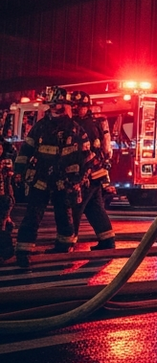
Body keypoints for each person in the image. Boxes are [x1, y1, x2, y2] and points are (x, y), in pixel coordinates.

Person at [14, 87, 86, 268]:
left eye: (58, 104)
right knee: (33, 214)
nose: (55, 107)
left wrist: (79, 177)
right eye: (53, 104)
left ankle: (64, 247)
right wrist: (19, 170)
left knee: (64, 213)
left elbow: (86, 155)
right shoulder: (41, 126)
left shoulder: (75, 128)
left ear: (66, 105)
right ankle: (23, 250)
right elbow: (26, 149)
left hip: (64, 180)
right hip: (42, 178)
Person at [69, 91, 116, 251]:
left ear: (87, 107)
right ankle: (107, 240)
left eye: (80, 106)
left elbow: (83, 152)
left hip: (87, 174)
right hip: (96, 173)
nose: (76, 109)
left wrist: (80, 175)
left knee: (74, 206)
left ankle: (67, 241)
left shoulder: (86, 125)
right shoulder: (86, 122)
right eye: (74, 106)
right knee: (94, 207)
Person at [0, 137, 15, 261]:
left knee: (2, 226)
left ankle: (7, 251)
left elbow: (7, 182)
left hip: (3, 198)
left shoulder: (6, 162)